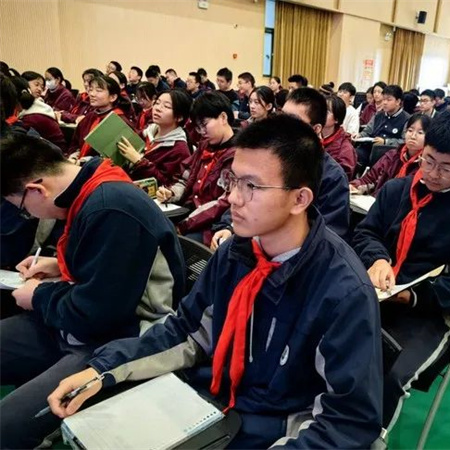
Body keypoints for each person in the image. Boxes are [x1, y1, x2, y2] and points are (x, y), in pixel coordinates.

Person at [47, 114, 383, 449]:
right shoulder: (236, 253)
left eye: (252, 186)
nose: (233, 198)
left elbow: (347, 422)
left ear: (300, 199)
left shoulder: (342, 291)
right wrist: (103, 369)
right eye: (233, 180)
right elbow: (185, 330)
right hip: (209, 401)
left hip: (273, 428)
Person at [0, 134, 185, 449]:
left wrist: (38, 296)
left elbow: (96, 316)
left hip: (118, 339)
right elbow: (106, 271)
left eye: (22, 209)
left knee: (5, 426)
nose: (28, 215)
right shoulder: (91, 186)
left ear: (37, 190)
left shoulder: (110, 208)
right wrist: (60, 265)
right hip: (77, 323)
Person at [352, 110, 450, 427]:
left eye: (446, 168)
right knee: (324, 339)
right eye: (428, 160)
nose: (432, 173)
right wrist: (378, 259)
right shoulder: (396, 190)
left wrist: (414, 296)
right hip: (373, 294)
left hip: (426, 313)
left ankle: (369, 436)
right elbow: (366, 233)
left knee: (389, 374)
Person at [211, 87, 351, 248]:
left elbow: (330, 234)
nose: (282, 126)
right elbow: (244, 195)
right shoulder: (268, 157)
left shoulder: (332, 176)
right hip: (252, 243)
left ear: (316, 129)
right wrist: (228, 226)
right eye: (281, 117)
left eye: (292, 122)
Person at [155, 92, 236, 244]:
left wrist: (184, 225)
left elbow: (224, 202)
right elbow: (186, 178)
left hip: (212, 223)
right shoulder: (204, 145)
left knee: (178, 243)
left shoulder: (238, 154)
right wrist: (172, 193)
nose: (202, 132)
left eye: (204, 125)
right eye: (198, 128)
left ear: (223, 117)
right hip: (189, 213)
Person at [118, 90, 191, 186]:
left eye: (166, 106)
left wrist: (139, 161)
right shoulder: (149, 131)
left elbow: (167, 184)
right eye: (157, 103)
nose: (158, 108)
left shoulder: (179, 149)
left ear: (179, 117)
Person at [350, 113, 430, 196]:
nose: (413, 136)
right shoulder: (392, 156)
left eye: (420, 133)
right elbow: (369, 179)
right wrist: (354, 186)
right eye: (410, 130)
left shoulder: (426, 164)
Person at [68, 75, 134, 160]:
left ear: (113, 97)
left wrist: (88, 161)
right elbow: (75, 143)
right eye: (90, 90)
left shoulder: (119, 121)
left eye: (98, 91)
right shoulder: (90, 117)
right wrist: (74, 155)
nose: (91, 94)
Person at [355, 85, 409, 167]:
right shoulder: (378, 115)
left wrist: (385, 142)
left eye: (389, 100)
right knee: (354, 153)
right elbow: (367, 131)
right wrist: (359, 135)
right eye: (384, 99)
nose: (385, 102)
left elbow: (405, 141)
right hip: (369, 148)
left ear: (398, 101)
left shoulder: (407, 119)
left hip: (389, 152)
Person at [11, 76, 66, 152]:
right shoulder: (32, 108)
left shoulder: (31, 117)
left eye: (42, 87)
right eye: (36, 85)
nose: (40, 89)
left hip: (53, 154)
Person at [323, 95, 357, 180]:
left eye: (326, 111)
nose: (320, 114)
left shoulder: (345, 148)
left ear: (336, 119)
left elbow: (341, 177)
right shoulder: (312, 136)